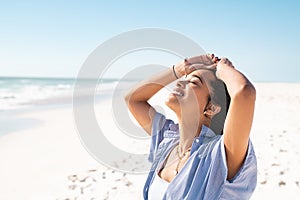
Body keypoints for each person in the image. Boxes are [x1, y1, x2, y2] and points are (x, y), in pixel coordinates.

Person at [124, 54, 257, 200]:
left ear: (211, 108)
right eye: (183, 79)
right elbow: (132, 99)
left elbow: (244, 93)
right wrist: (180, 68)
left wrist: (222, 68)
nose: (180, 83)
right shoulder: (167, 141)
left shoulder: (220, 155)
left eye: (193, 82)